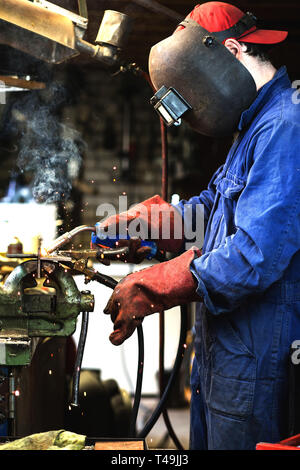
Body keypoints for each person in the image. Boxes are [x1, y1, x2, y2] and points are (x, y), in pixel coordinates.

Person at [95, 2, 300, 450]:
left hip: (258, 362)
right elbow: (216, 211)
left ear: (230, 48)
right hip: (223, 357)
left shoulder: (286, 126)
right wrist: (149, 224)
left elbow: (252, 255)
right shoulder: (254, 126)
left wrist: (154, 285)